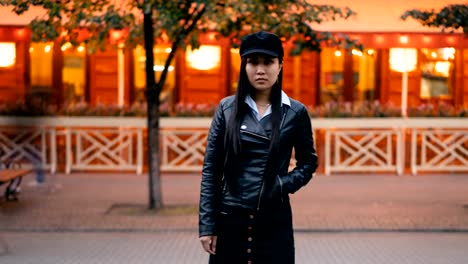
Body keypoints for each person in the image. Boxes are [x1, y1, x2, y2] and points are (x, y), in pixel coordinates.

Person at [198, 31, 318, 264]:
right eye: (253, 62)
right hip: (230, 217)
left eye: (268, 62)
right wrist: (207, 225)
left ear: (280, 65)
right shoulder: (226, 109)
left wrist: (282, 184)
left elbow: (309, 162)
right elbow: (211, 170)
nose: (260, 70)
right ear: (244, 65)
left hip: (274, 219)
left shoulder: (295, 112)